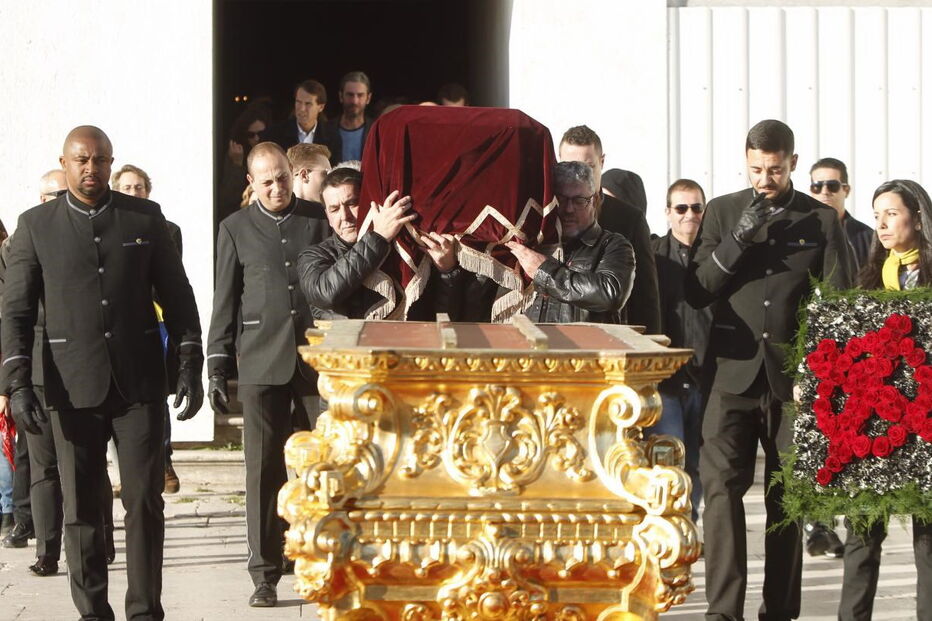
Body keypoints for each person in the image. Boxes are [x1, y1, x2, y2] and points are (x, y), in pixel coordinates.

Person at [1, 125, 203, 621]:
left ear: (112, 163)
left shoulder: (145, 218)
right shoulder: (35, 225)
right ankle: (92, 611)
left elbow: (177, 295)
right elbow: (16, 311)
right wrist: (17, 380)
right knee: (83, 509)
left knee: (145, 503)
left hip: (139, 385)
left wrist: (190, 362)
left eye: (100, 160)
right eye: (81, 160)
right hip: (71, 386)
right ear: (65, 163)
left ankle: (144, 611)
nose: (92, 169)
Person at [686, 119, 852, 620]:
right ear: (746, 162)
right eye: (756, 169)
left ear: (793, 164)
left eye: (775, 170)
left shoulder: (821, 221)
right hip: (730, 378)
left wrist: (816, 371)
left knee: (786, 500)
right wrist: (736, 239)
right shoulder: (722, 211)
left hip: (791, 384)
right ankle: (723, 612)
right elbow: (698, 290)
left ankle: (779, 611)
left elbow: (838, 307)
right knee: (720, 494)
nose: (764, 179)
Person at [206, 141, 330, 608]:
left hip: (316, 360)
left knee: (322, 463)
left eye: (282, 176)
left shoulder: (317, 217)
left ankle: (319, 553)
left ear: (291, 173)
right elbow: (226, 300)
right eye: (267, 180)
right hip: (260, 360)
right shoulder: (234, 228)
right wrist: (217, 365)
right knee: (262, 467)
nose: (276, 187)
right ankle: (264, 572)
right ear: (251, 183)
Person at [837, 179, 932, 621]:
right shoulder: (873, 274)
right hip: (878, 416)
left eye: (891, 213)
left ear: (917, 216)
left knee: (928, 538)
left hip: (926, 418)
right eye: (876, 215)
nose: (881, 224)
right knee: (862, 529)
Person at [298, 168, 463, 320]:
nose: (345, 216)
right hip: (349, 350)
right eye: (334, 209)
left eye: (352, 204)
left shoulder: (405, 250)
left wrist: (447, 272)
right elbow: (325, 294)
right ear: (327, 215)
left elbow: (445, 314)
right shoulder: (314, 255)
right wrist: (378, 237)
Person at [111, 164, 184, 494]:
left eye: (139, 187)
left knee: (156, 392)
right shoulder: (102, 229)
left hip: (154, 323)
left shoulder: (168, 229)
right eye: (127, 187)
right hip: (114, 326)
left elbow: (168, 281)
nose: (134, 192)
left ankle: (162, 457)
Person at [645, 179, 711, 523]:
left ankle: (689, 523)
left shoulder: (716, 258)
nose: (690, 215)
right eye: (682, 208)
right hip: (666, 379)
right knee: (667, 461)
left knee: (698, 462)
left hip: (706, 377)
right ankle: (666, 526)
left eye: (697, 207)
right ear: (668, 213)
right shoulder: (653, 257)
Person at [558, 125, 661, 333]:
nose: (577, 177)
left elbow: (645, 298)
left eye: (587, 167)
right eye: (569, 167)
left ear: (602, 162)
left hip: (607, 343)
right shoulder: (545, 213)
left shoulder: (629, 219)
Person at [505, 161, 635, 323]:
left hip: (584, 347)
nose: (568, 209)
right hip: (527, 345)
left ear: (594, 201)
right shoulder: (531, 244)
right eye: (561, 199)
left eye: (579, 200)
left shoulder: (612, 245)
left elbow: (610, 293)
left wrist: (544, 271)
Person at [810, 157, 874, 269]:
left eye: (832, 186)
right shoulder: (796, 232)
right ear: (811, 191)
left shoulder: (867, 237)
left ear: (846, 190)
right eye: (817, 186)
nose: (825, 192)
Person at [261, 79, 339, 162]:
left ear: (321, 107)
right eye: (298, 102)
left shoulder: (332, 137)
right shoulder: (275, 134)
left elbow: (334, 171)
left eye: (308, 104)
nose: (302, 109)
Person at [331, 71, 374, 163]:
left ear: (368, 98)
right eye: (350, 95)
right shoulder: (326, 130)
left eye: (360, 95)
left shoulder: (375, 130)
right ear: (341, 96)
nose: (354, 101)